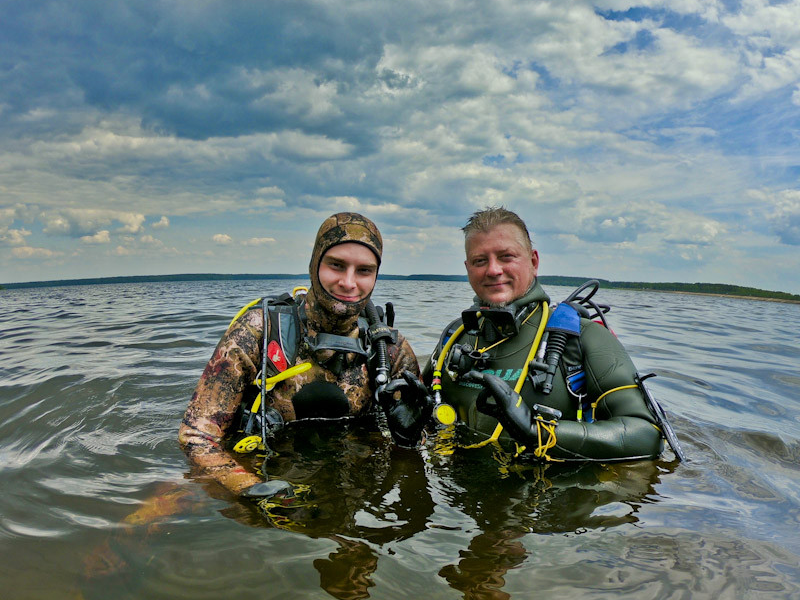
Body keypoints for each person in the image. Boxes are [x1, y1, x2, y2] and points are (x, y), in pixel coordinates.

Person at [179, 212, 432, 498]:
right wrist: (251, 488)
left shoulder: (389, 349)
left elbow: (421, 449)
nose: (349, 283)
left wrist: (409, 439)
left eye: (364, 271)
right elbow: (197, 437)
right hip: (263, 481)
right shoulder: (259, 331)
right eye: (336, 266)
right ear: (315, 265)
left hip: (350, 491)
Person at [423, 207, 669, 463]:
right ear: (467, 267)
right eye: (479, 261)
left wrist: (537, 433)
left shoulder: (584, 337)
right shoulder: (454, 337)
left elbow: (647, 435)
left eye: (506, 256)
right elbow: (428, 404)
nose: (493, 270)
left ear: (534, 261)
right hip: (458, 500)